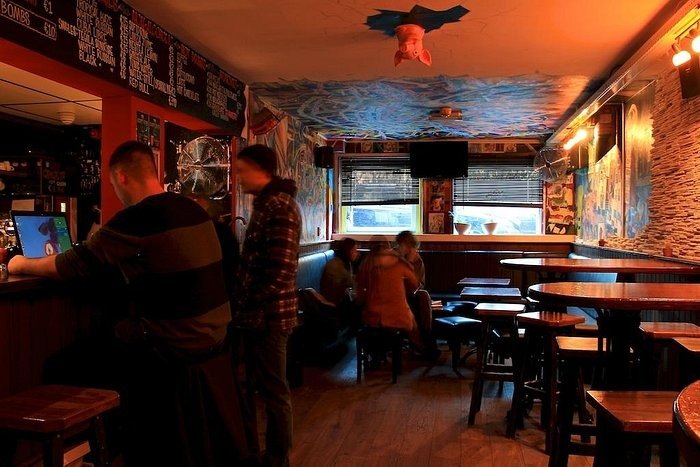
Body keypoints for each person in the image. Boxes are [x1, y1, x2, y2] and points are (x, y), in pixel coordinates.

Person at [8, 140, 250, 466]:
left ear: (121, 177)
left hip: (172, 344)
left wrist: (20, 263)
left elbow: (69, 265)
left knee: (62, 365)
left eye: (112, 184)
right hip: (215, 341)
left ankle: (97, 452)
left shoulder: (140, 217)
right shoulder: (193, 209)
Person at [234, 144, 301, 467]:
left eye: (242, 170)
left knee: (275, 392)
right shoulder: (269, 203)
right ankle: (258, 453)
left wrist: (250, 300)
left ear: (260, 170)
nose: (238, 177)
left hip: (269, 317)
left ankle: (277, 458)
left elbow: (280, 269)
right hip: (260, 315)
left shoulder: (279, 205)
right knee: (261, 388)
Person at [355, 236, 424, 351]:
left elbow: (360, 293)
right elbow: (415, 284)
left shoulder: (366, 264)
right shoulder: (400, 262)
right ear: (388, 246)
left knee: (362, 317)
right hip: (399, 316)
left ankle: (375, 353)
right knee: (412, 320)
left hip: (374, 316)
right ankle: (418, 348)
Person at [320, 237, 359, 306]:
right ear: (348, 251)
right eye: (355, 250)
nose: (357, 254)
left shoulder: (345, 262)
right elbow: (348, 283)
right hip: (332, 303)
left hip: (340, 299)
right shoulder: (335, 265)